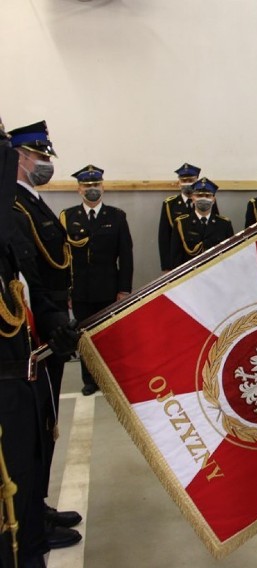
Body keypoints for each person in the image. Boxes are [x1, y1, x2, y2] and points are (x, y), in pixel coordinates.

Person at [7, 120, 83, 551]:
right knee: (37, 426)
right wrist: (52, 318)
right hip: (38, 326)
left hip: (53, 319)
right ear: (19, 158)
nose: (46, 164)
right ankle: (32, 513)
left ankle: (39, 503)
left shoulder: (31, 202)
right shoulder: (15, 206)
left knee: (48, 421)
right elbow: (28, 273)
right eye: (40, 158)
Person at [60, 165, 133, 395]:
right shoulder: (68, 217)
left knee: (112, 336)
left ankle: (114, 378)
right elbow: (63, 258)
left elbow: (126, 255)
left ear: (103, 187)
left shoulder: (117, 216)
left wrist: (124, 290)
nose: (92, 189)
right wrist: (66, 292)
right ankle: (90, 379)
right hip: (80, 290)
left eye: (96, 185)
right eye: (87, 185)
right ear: (79, 189)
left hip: (109, 289)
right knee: (85, 337)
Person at [169, 178, 234, 268]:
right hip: (190, 275)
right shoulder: (181, 223)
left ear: (213, 199)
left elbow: (229, 256)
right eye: (199, 196)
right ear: (192, 198)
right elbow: (176, 257)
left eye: (208, 196)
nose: (204, 199)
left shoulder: (224, 224)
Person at [158, 163, 204, 271]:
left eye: (191, 180)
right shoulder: (170, 204)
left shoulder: (205, 201)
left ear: (197, 180)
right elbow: (164, 238)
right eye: (184, 180)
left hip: (202, 260)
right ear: (178, 182)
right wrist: (166, 267)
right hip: (178, 262)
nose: (187, 183)